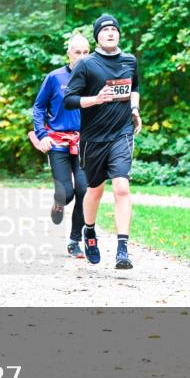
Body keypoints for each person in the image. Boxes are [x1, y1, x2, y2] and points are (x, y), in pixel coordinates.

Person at [63, 14, 141, 269]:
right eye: (105, 30)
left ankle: (122, 248)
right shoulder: (86, 65)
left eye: (114, 29)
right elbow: (70, 100)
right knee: (94, 190)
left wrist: (135, 109)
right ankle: (89, 231)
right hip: (93, 138)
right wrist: (95, 99)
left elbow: (135, 88)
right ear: (97, 35)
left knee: (121, 187)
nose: (110, 33)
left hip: (122, 134)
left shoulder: (130, 60)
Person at [32, 34, 90, 258]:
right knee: (66, 194)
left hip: (84, 142)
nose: (82, 57)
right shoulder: (55, 78)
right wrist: (42, 134)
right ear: (68, 53)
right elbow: (38, 108)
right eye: (78, 52)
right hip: (57, 142)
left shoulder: (93, 79)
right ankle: (58, 202)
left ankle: (75, 240)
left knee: (84, 191)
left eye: (86, 52)